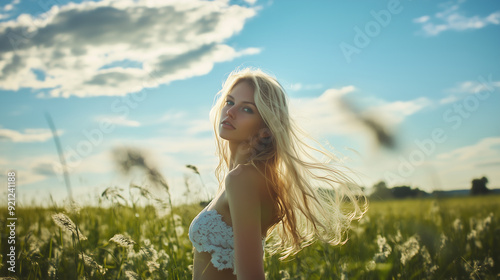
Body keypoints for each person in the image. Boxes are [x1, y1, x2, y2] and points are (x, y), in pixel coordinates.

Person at [188, 68, 366, 280]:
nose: (230, 112)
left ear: (266, 127)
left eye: (247, 110)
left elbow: (252, 276)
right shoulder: (244, 176)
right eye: (229, 102)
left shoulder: (242, 179)